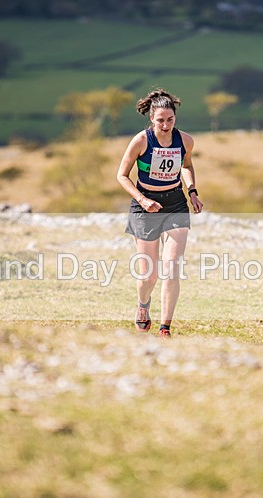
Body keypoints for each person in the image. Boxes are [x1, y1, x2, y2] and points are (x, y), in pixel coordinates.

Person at [116, 88, 203, 338]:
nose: (165, 125)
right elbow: (121, 175)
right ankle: (143, 305)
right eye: (160, 120)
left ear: (175, 117)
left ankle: (165, 327)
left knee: (172, 267)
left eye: (170, 120)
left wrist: (193, 191)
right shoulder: (141, 141)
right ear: (151, 119)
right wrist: (142, 200)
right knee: (149, 275)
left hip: (175, 203)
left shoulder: (185, 140)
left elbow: (187, 166)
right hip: (146, 207)